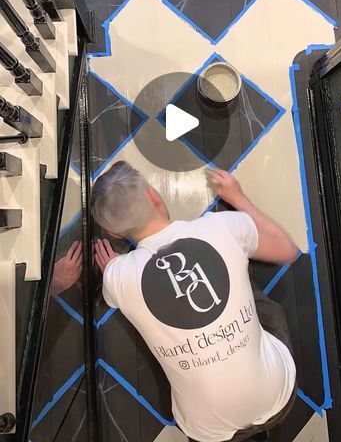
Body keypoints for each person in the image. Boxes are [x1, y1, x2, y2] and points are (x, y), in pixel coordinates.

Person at [91, 161, 298, 442]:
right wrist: (238, 198)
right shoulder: (222, 227)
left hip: (208, 432)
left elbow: (114, 294)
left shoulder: (117, 277)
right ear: (154, 195)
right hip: (279, 397)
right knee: (239, 273)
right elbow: (286, 250)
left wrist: (115, 270)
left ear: (114, 233)